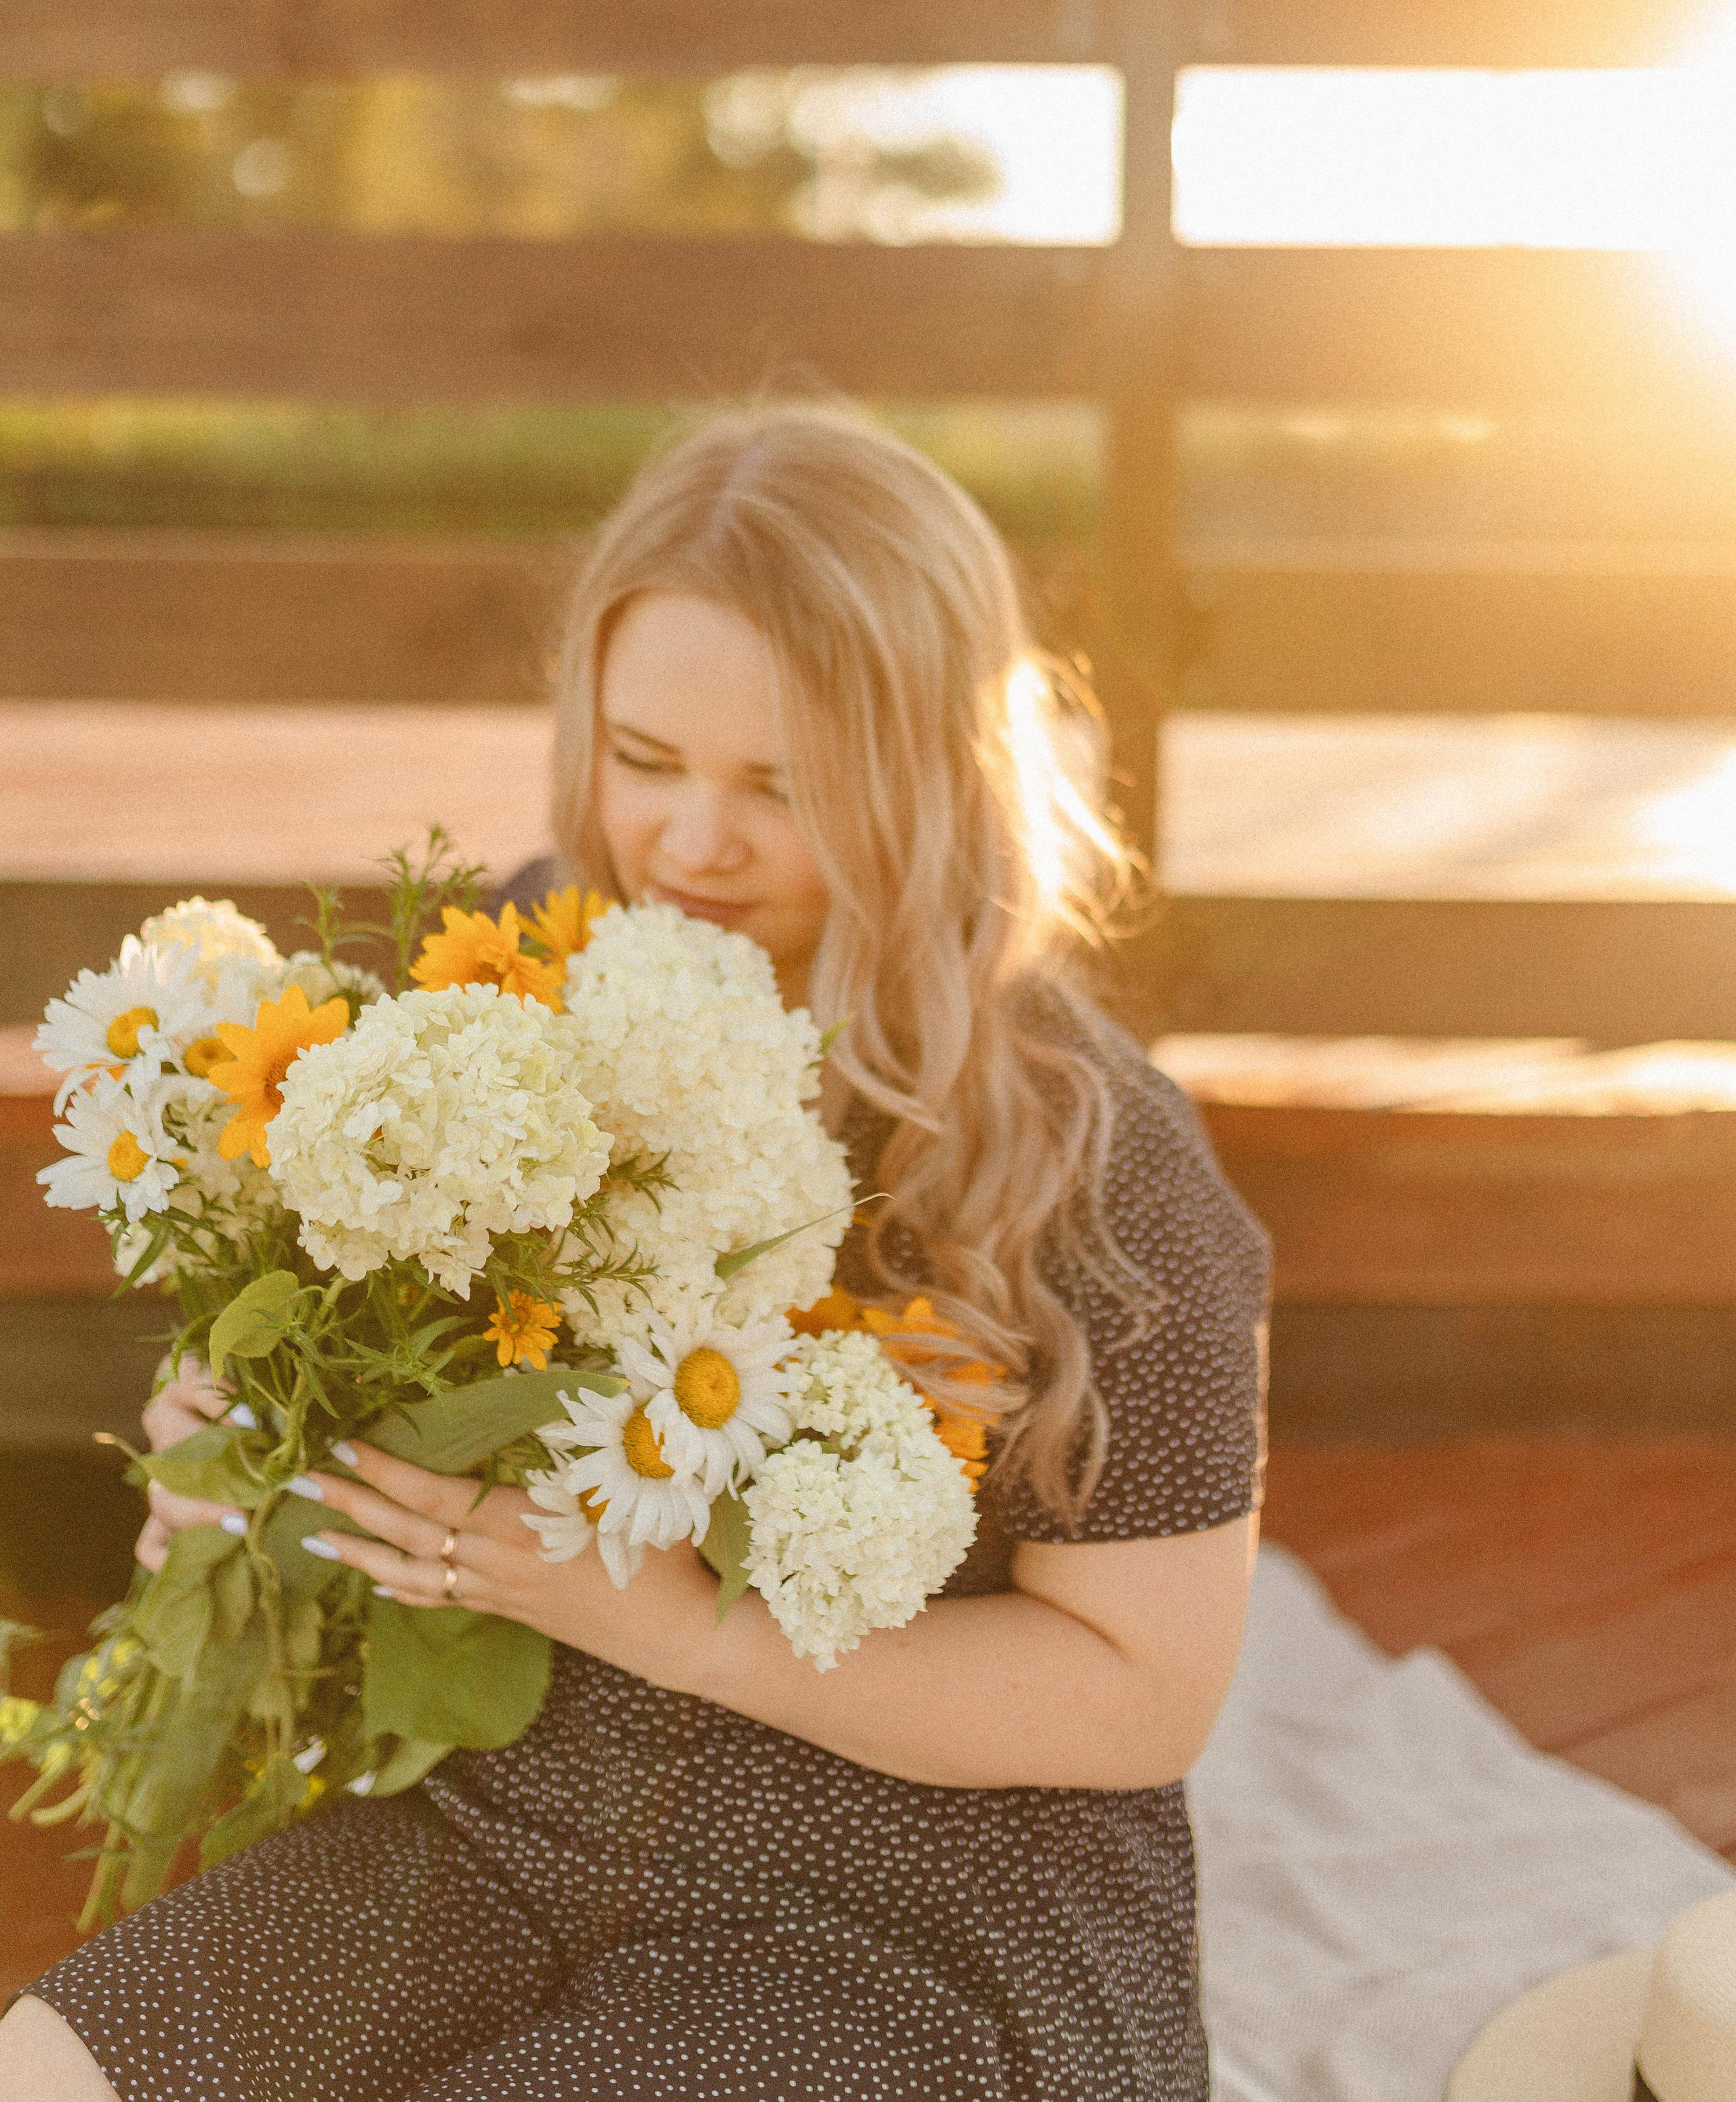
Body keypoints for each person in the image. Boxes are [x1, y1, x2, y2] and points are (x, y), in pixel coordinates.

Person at [2, 407, 1269, 2102]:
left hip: (905, 1918)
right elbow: (373, 1354)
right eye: (644, 759)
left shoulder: (1100, 1160)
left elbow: (1140, 1698)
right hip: (500, 1834)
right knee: (53, 2073)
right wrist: (242, 1449)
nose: (690, 844)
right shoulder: (523, 986)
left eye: (783, 787)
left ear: (932, 775)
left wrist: (680, 1630)